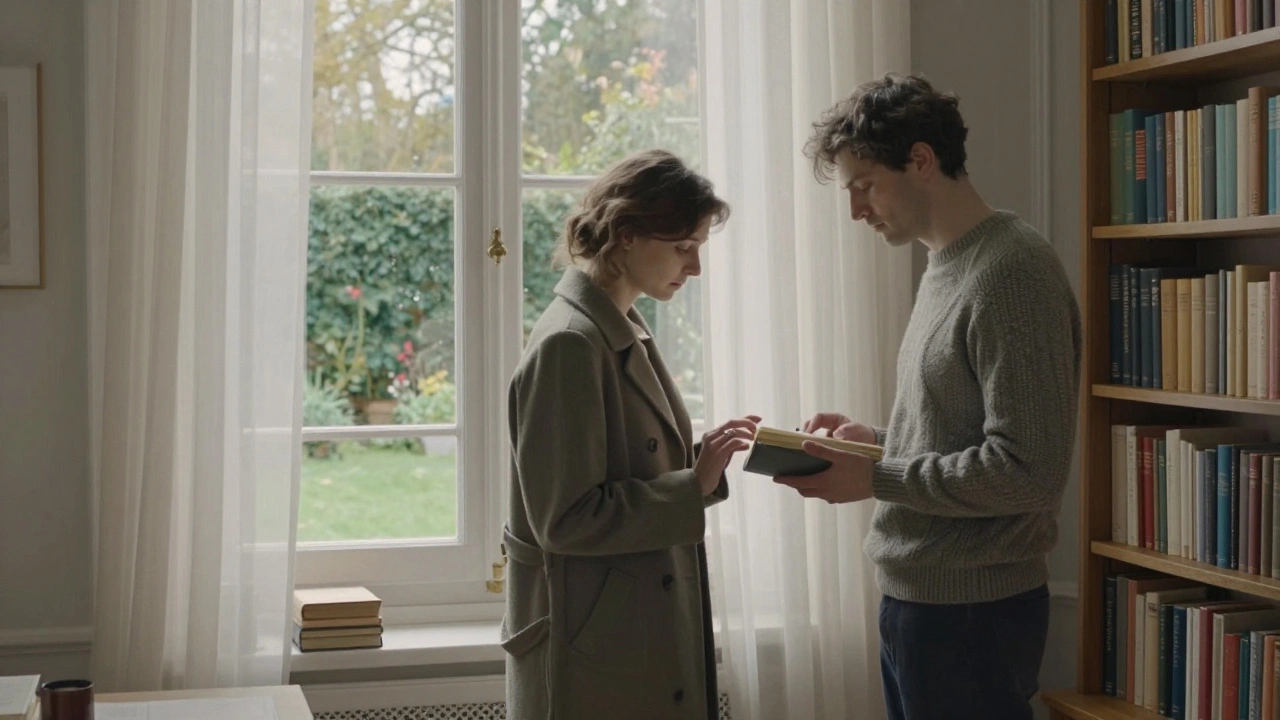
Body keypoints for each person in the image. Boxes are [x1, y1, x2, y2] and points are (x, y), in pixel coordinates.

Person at [775, 73, 1082, 720]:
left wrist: (878, 476)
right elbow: (964, 436)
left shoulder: (1012, 273)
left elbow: (1029, 472)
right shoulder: (947, 264)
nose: (856, 209)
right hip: (922, 604)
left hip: (970, 614)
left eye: (864, 186)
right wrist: (878, 445)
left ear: (920, 160)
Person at [501, 148, 759, 720]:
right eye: (683, 248)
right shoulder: (570, 343)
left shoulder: (619, 324)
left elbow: (620, 469)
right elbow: (565, 518)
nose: (693, 268)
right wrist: (692, 485)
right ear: (624, 234)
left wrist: (703, 464)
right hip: (594, 649)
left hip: (624, 634)